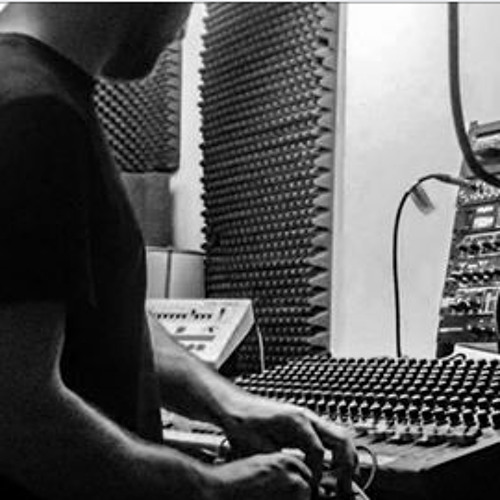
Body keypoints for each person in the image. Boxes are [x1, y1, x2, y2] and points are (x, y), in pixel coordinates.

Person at [0, 3, 357, 500]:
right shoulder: (32, 110)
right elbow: (19, 415)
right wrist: (213, 488)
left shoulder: (36, 93)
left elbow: (104, 314)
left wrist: (228, 402)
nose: (185, 27)